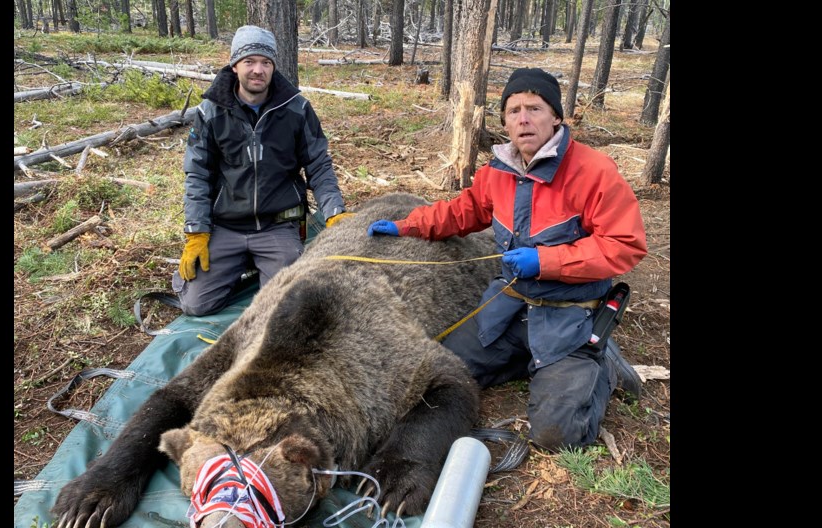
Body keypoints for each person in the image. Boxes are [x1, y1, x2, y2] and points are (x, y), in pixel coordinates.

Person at [367, 67, 647, 451]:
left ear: (556, 117)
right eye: (514, 111)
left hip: (572, 317)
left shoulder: (594, 172)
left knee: (556, 436)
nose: (524, 119)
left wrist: (546, 262)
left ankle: (601, 367)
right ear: (504, 121)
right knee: (434, 374)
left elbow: (624, 245)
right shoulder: (498, 171)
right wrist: (406, 226)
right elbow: (462, 212)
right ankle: (535, 363)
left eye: (534, 108)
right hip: (510, 311)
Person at [176, 25, 349, 316]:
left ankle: (263, 265)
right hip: (226, 226)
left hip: (276, 226)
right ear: (234, 66)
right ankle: (235, 267)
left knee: (283, 309)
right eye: (250, 62)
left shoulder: (296, 109)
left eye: (266, 62)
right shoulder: (210, 112)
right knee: (195, 305)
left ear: (273, 67)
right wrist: (197, 232)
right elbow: (198, 174)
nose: (258, 70)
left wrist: (334, 212)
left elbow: (319, 165)